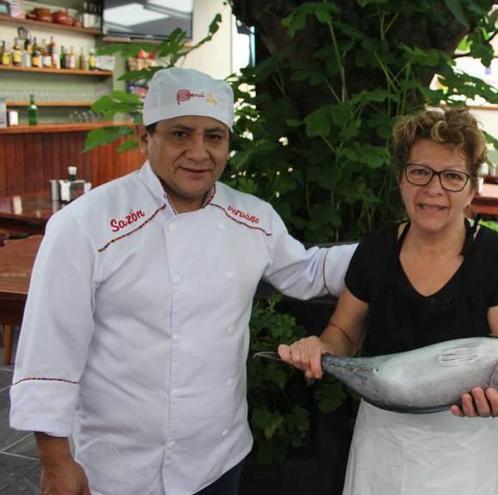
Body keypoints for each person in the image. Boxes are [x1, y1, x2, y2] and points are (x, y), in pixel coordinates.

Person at [9, 67, 356, 495]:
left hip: (220, 458)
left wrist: (398, 250)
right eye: (180, 134)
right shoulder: (85, 226)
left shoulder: (252, 217)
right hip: (115, 471)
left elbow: (309, 271)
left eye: (214, 136)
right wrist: (55, 461)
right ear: (145, 137)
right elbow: (49, 351)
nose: (199, 151)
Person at [277, 107, 498, 495]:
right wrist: (321, 347)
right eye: (420, 172)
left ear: (472, 189)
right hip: (382, 444)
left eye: (452, 176)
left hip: (467, 450)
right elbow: (343, 332)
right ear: (401, 179)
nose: (433, 189)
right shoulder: (376, 250)